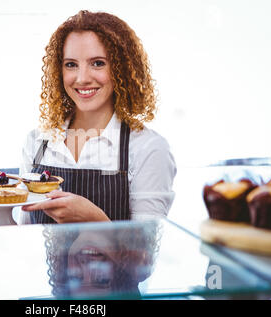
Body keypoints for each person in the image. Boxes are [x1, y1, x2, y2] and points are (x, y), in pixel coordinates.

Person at [16, 10, 176, 224]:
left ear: (123, 69)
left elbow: (145, 251)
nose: (82, 78)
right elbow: (23, 233)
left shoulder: (147, 148)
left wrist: (94, 220)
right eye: (71, 64)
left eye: (98, 63)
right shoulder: (37, 142)